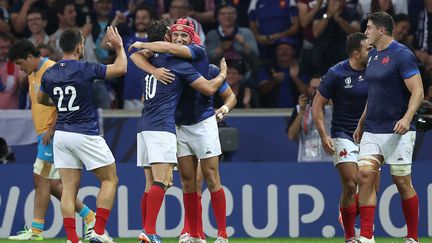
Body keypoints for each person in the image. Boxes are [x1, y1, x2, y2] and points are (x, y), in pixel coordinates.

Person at [129, 18, 230, 243]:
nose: (180, 39)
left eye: (184, 35)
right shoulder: (162, 61)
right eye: (176, 35)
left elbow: (218, 90)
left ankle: (222, 234)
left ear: (192, 37)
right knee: (186, 180)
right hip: (178, 125)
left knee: (212, 177)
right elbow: (141, 55)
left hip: (203, 123)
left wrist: (223, 74)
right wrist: (153, 70)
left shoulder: (197, 52)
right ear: (169, 35)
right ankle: (192, 233)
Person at [37, 26, 126, 243]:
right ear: (79, 46)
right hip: (84, 133)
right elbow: (121, 68)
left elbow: (41, 98)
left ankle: (72, 239)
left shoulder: (49, 73)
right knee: (110, 180)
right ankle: (98, 232)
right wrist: (119, 47)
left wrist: (58, 102)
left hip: (62, 137)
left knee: (68, 188)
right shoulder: (86, 68)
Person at [7, 39, 97, 241]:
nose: (21, 69)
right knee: (54, 185)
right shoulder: (34, 73)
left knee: (40, 180)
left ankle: (36, 231)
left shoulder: (50, 70)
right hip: (44, 134)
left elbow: (62, 103)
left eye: (22, 63)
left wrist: (51, 128)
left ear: (30, 57)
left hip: (52, 134)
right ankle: (90, 217)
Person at [353, 12, 424, 243]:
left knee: (402, 183)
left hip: (398, 130)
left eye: (369, 28)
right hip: (373, 129)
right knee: (364, 175)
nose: (365, 32)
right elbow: (373, 94)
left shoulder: (402, 55)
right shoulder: (372, 57)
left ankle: (412, 237)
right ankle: (366, 235)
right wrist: (362, 121)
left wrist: (407, 118)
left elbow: (418, 91)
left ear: (381, 30)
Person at [312, 33, 371, 241]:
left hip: (370, 135)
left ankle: (351, 217)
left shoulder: (377, 70)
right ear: (356, 53)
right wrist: (323, 134)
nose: (372, 52)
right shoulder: (336, 73)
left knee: (368, 185)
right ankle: (350, 236)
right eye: (368, 49)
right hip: (343, 134)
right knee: (351, 182)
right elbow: (317, 106)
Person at [286, 75, 332, 162]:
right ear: (308, 89)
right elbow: (291, 136)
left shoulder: (333, 109)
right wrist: (302, 111)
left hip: (329, 161)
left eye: (320, 88)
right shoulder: (299, 109)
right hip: (307, 161)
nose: (316, 91)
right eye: (314, 88)